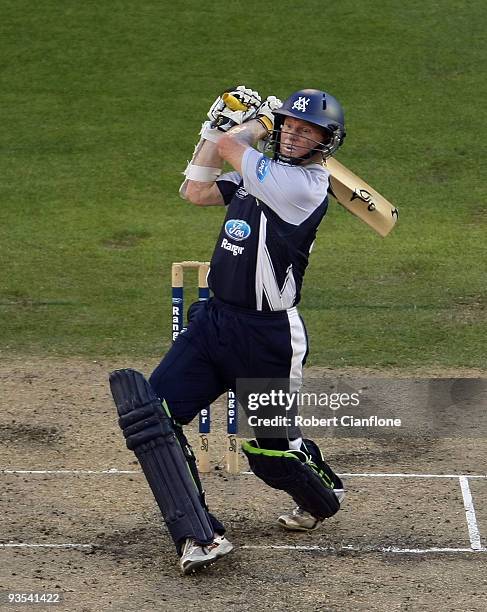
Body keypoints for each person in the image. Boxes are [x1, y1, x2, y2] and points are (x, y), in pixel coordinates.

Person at [109, 86, 346, 575]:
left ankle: (322, 493)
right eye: (290, 125)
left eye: (308, 131)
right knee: (154, 419)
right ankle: (199, 534)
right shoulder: (255, 176)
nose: (295, 135)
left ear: (325, 142)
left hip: (268, 339)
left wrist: (247, 124)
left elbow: (231, 151)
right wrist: (214, 130)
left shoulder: (303, 186)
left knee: (269, 454)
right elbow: (194, 189)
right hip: (214, 322)